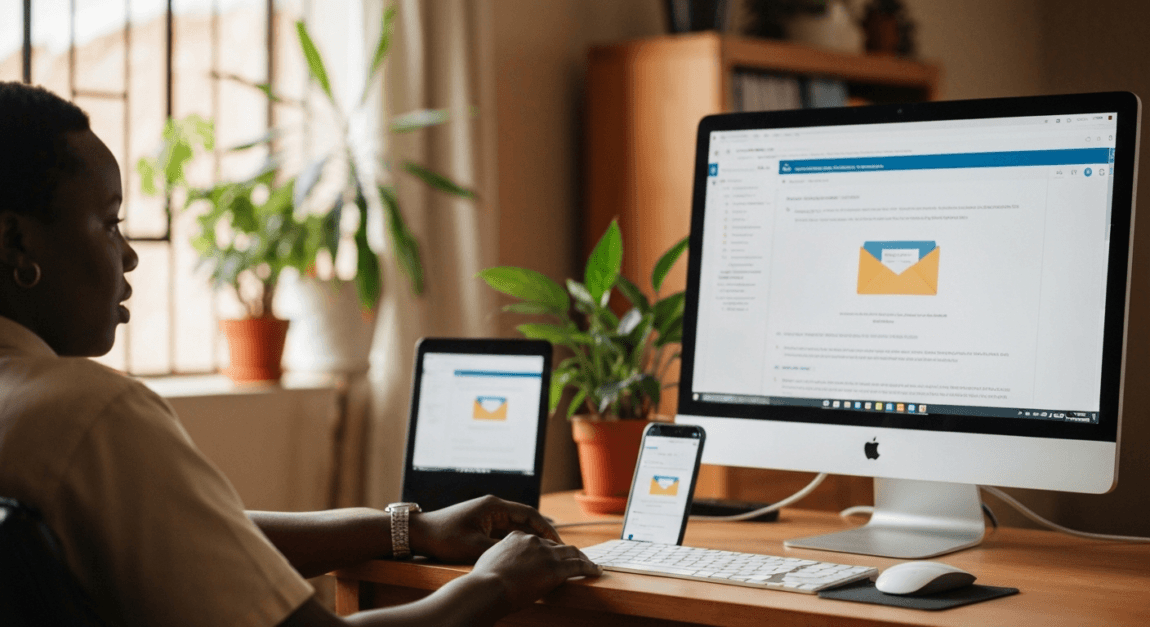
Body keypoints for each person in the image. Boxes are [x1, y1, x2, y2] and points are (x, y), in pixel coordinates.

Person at [0, 81, 600, 627]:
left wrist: (406, 528)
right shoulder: (91, 417)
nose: (128, 256)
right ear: (16, 242)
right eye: (109, 224)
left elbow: (199, 539)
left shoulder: (35, 417)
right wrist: (497, 583)